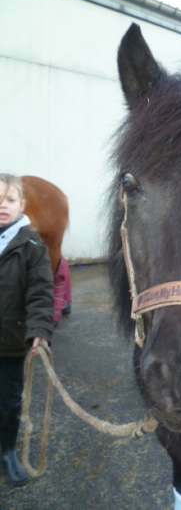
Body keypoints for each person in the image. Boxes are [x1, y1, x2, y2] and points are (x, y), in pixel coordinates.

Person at [0, 173, 54, 486]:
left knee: (8, 401)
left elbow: (40, 292)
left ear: (22, 205)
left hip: (9, 341)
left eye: (9, 200)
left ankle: (6, 449)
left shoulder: (32, 245)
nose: (2, 206)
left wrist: (39, 329)